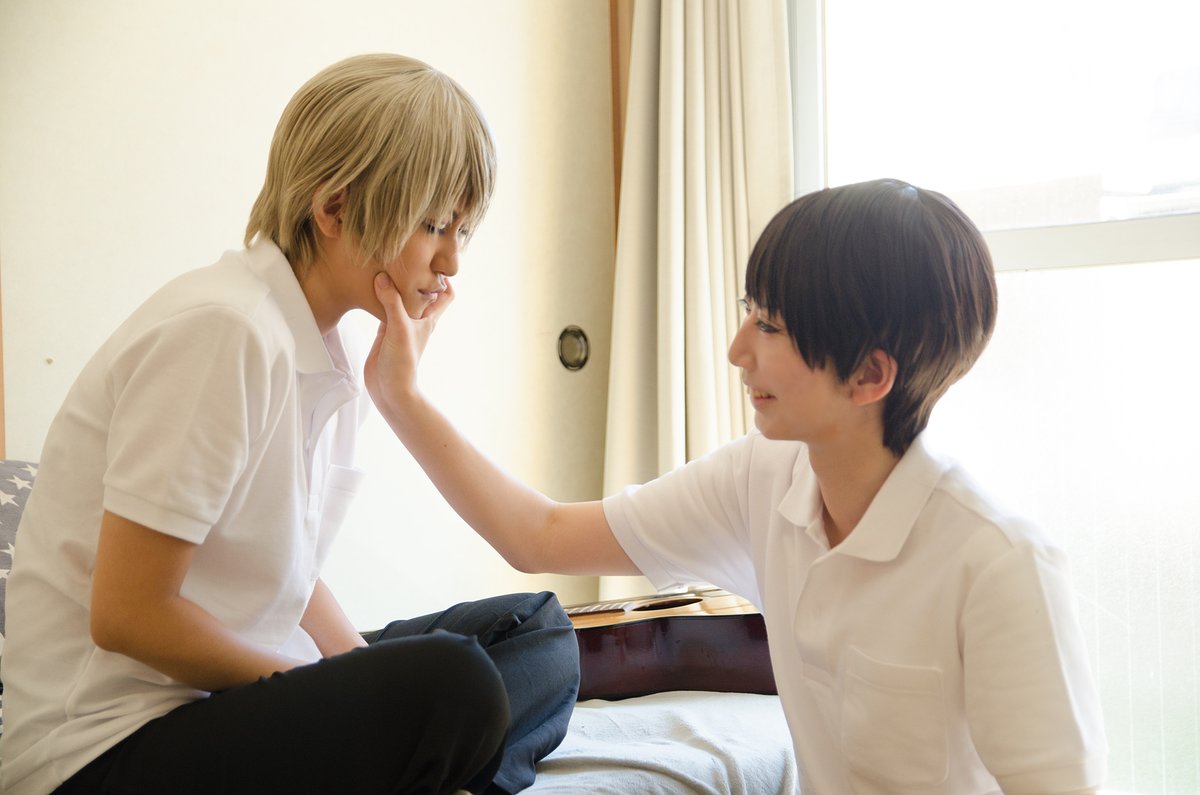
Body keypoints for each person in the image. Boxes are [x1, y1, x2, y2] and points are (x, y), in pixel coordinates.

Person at [366, 179, 1109, 793]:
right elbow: (540, 537)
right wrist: (400, 394)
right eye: (749, 310)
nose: (736, 348)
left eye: (771, 325)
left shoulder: (1000, 563)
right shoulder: (765, 476)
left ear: (869, 375)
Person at [0, 54, 578, 795]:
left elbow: (289, 576)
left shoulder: (326, 349)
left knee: (537, 630)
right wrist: (338, 687)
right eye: (434, 224)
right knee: (456, 682)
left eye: (462, 229)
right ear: (333, 208)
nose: (452, 262)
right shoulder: (225, 329)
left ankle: (436, 769)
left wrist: (354, 677)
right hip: (107, 749)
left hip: (227, 701)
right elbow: (128, 615)